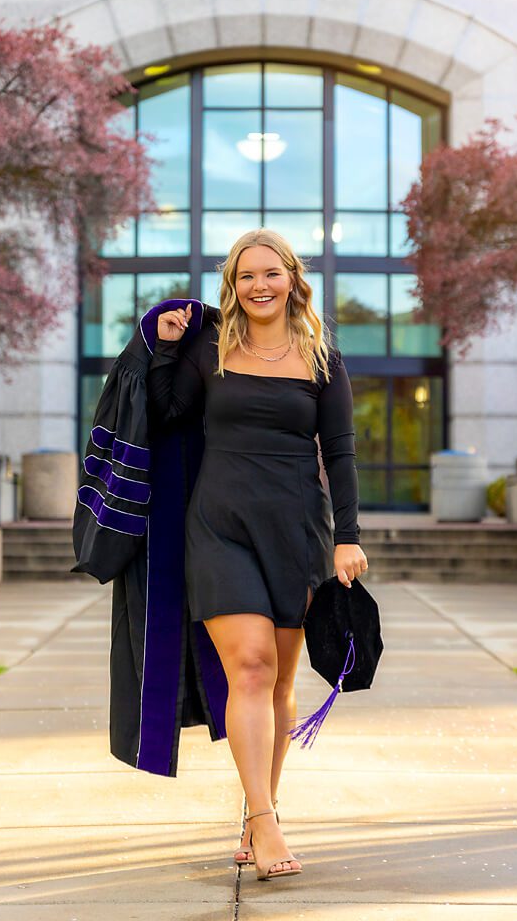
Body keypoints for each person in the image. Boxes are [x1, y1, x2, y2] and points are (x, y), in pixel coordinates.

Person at [146, 227, 368, 881]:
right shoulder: (209, 351)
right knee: (249, 664)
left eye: (271, 273)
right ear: (233, 286)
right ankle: (266, 824)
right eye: (247, 276)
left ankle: (256, 806)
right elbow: (166, 418)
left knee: (278, 681)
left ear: (293, 280)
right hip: (217, 526)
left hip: (297, 530)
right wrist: (161, 353)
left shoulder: (321, 356)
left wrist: (347, 537)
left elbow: (343, 453)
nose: (260, 285)